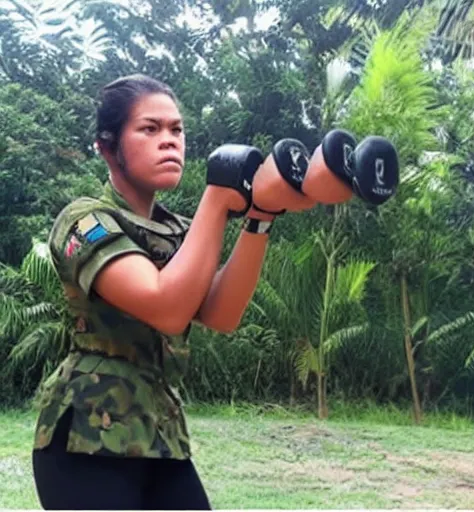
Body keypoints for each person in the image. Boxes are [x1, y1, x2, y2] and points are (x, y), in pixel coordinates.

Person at [31, 73, 314, 510]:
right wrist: (218, 200)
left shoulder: (179, 230)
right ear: (108, 147)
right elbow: (164, 307)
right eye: (150, 128)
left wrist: (261, 214)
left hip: (160, 436)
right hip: (86, 438)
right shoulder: (84, 220)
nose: (170, 140)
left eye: (177, 129)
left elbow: (221, 314)